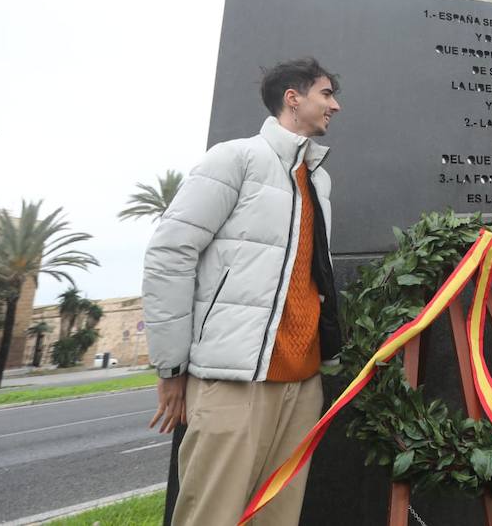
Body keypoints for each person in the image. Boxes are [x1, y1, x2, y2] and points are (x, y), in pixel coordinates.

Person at [143, 57, 344, 526]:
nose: (335, 105)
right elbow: (170, 254)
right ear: (292, 99)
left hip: (303, 382)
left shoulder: (319, 179)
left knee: (278, 517)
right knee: (211, 515)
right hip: (235, 381)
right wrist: (171, 367)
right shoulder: (234, 158)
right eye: (326, 93)